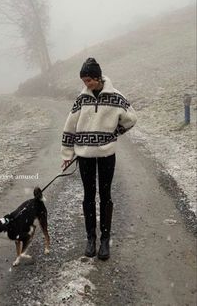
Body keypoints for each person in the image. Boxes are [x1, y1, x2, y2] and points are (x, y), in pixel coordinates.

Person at [61, 57, 137, 260]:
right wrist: (67, 154)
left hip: (106, 155)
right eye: (84, 81)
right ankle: (90, 239)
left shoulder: (116, 96)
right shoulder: (81, 99)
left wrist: (114, 133)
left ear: (97, 77)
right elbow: (69, 126)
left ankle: (105, 240)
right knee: (88, 196)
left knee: (105, 195)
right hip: (84, 156)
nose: (86, 84)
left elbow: (131, 118)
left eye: (89, 80)